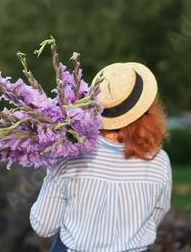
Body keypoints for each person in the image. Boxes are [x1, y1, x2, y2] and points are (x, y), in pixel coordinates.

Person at [30, 62, 172, 252]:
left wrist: (53, 165)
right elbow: (155, 217)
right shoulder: (158, 162)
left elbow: (44, 226)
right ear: (145, 112)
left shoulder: (71, 158)